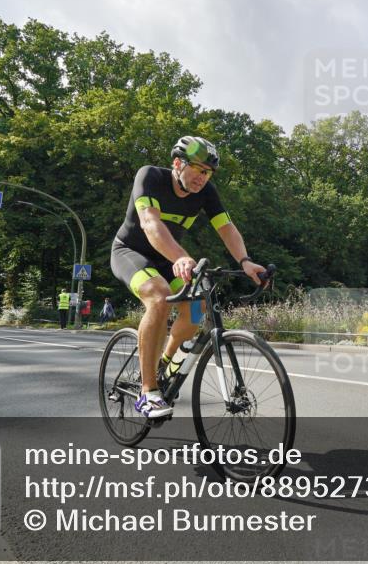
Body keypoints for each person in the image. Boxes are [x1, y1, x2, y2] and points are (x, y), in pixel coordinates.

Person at [110, 136, 266, 418]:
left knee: (198, 306)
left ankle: (165, 363)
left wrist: (245, 261)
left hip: (167, 259)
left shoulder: (206, 193)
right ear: (178, 163)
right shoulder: (150, 176)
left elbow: (226, 227)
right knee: (159, 297)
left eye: (208, 172)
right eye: (197, 168)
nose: (202, 177)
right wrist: (181, 256)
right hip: (131, 252)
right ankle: (148, 392)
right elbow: (150, 223)